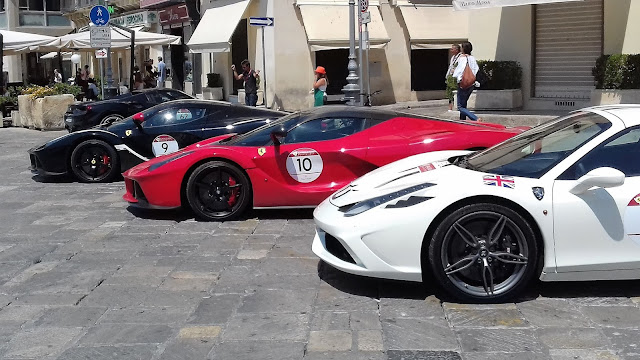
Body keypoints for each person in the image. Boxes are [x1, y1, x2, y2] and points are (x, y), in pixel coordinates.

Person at [452, 41, 482, 122]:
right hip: (471, 84)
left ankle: (475, 118)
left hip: (463, 83)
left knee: (460, 107)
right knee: (464, 104)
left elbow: (460, 70)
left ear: (463, 48)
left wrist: (454, 73)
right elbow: (476, 69)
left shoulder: (462, 57)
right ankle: (463, 121)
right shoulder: (472, 58)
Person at [445, 44, 461, 111]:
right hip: (450, 77)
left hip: (455, 78)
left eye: (452, 49)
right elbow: (450, 67)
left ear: (456, 50)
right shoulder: (453, 57)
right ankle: (450, 107)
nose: (451, 50)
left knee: (454, 92)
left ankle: (454, 106)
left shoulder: (460, 57)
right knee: (449, 93)